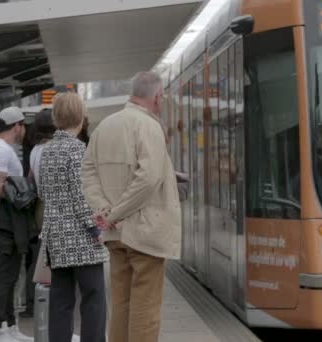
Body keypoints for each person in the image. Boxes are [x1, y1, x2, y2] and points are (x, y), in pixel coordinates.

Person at [82, 71, 181, 342]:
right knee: (145, 309)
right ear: (157, 96)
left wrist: (104, 212)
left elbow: (87, 173)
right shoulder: (149, 127)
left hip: (115, 235)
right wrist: (115, 213)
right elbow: (149, 178)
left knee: (121, 304)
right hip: (145, 233)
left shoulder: (105, 127)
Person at [38, 93, 108, 342]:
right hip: (81, 241)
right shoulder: (78, 149)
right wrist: (95, 230)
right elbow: (82, 197)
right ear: (80, 117)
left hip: (56, 240)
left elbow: (42, 192)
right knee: (94, 298)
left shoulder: (47, 152)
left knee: (60, 301)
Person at [0, 106, 34, 342]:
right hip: (5, 222)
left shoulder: (3, 149)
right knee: (6, 276)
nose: (23, 130)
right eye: (22, 126)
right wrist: (23, 193)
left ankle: (10, 326)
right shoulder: (1, 151)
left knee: (12, 274)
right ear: (17, 126)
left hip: (9, 221)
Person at [19, 108, 55, 319]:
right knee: (44, 258)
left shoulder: (34, 151)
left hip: (40, 207)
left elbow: (31, 178)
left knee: (40, 255)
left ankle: (34, 300)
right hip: (51, 205)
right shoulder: (51, 149)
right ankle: (36, 302)